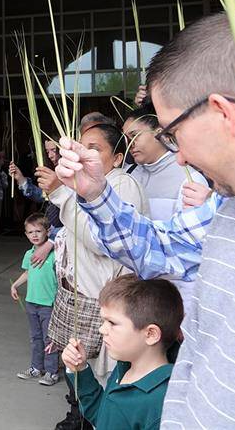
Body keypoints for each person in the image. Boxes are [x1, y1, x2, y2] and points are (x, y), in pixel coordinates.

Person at [54, 11, 235, 428]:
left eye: (172, 134)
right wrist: (96, 193)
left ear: (223, 113)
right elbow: (156, 250)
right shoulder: (230, 207)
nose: (179, 156)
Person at [48, 123, 148, 430]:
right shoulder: (85, 184)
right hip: (78, 295)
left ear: (117, 158)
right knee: (77, 366)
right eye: (81, 146)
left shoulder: (122, 185)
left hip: (99, 297)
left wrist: (60, 194)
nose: (84, 153)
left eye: (95, 148)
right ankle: (82, 416)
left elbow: (102, 241)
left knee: (101, 373)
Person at [62, 275, 183, 430]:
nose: (102, 329)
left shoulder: (162, 403)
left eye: (112, 323)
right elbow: (103, 416)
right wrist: (80, 369)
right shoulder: (123, 368)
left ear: (150, 334)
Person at [10, 213, 59, 386]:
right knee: (35, 337)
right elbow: (28, 272)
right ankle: (36, 367)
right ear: (26, 234)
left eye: (39, 231)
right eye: (31, 232)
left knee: (49, 338)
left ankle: (52, 371)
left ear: (48, 232)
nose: (35, 235)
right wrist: (15, 285)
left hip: (49, 303)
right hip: (32, 302)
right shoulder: (29, 254)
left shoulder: (54, 254)